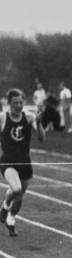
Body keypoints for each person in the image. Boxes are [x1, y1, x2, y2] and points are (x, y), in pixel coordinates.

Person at [0, 89, 46, 237]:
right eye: (15, 102)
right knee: (16, 188)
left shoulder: (29, 117)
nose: (18, 105)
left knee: (19, 197)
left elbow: (42, 138)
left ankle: (11, 220)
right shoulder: (2, 118)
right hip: (8, 161)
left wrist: (38, 123)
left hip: (24, 162)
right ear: (9, 103)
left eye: (21, 102)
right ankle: (5, 207)